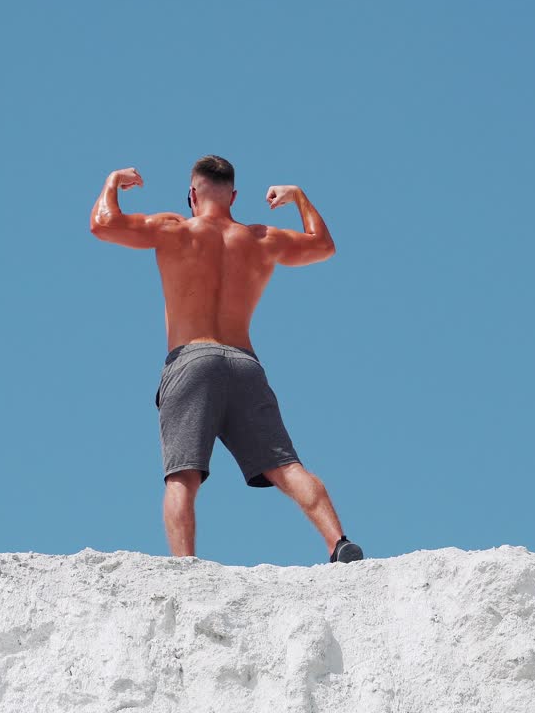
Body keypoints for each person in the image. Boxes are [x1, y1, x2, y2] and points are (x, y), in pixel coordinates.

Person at [89, 155, 363, 564]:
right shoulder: (261, 239)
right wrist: (299, 198)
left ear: (191, 195)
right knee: (287, 466)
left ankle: (185, 566)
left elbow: (103, 223)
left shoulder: (173, 229)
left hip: (191, 359)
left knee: (183, 476)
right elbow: (323, 245)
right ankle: (339, 543)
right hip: (244, 363)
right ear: (233, 197)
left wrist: (113, 181)